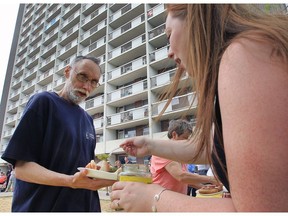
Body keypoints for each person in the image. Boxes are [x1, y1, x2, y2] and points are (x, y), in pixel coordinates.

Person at [110, 4, 288, 212]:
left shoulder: (244, 55)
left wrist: (154, 198)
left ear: (194, 17)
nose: (168, 53)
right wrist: (149, 145)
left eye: (168, 37)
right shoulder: (246, 54)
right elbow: (211, 148)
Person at [1, 55, 115, 212]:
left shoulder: (87, 119)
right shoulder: (44, 102)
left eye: (94, 82)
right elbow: (21, 168)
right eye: (82, 76)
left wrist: (100, 170)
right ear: (67, 72)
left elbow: (83, 167)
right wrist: (71, 181)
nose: (87, 86)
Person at [151, 119, 218, 194]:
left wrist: (203, 187)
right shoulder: (163, 151)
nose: (187, 142)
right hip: (163, 199)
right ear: (174, 135)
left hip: (176, 198)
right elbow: (181, 176)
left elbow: (187, 180)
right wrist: (211, 179)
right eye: (185, 138)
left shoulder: (179, 153)